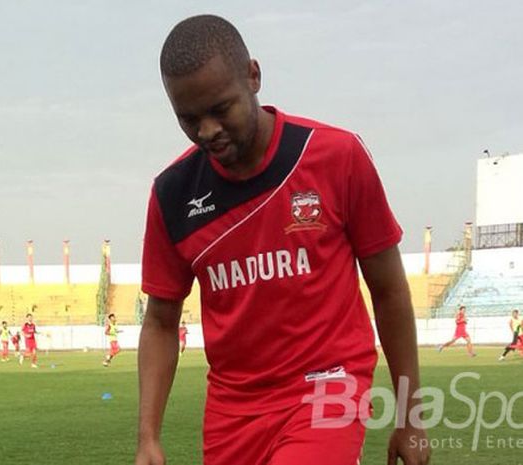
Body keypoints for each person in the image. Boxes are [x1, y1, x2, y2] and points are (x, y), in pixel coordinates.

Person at [136, 15, 430, 465]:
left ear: (253, 76)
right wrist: (149, 437)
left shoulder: (335, 157)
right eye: (189, 118)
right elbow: (159, 321)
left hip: (329, 385)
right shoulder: (173, 194)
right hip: (232, 412)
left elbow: (389, 290)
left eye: (221, 109)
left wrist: (409, 415)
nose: (207, 130)